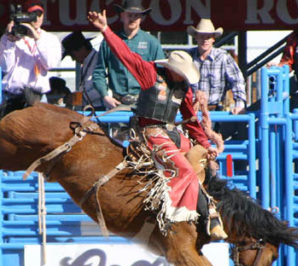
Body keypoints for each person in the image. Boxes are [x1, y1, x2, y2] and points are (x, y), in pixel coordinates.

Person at [88, 9, 227, 241]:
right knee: (182, 167)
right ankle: (192, 215)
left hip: (170, 133)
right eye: (181, 74)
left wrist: (204, 143)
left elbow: (192, 121)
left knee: (198, 160)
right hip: (148, 132)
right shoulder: (150, 74)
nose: (184, 78)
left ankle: (206, 208)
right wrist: (105, 30)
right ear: (172, 70)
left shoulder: (183, 89)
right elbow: (125, 55)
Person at [92, 0, 165, 109]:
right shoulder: (108, 42)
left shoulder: (152, 42)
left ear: (142, 18)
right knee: (115, 126)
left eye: (136, 16)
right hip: (117, 102)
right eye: (129, 15)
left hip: (145, 102)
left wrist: (158, 95)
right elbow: (99, 72)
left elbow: (162, 73)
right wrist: (105, 96)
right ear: (122, 16)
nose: (132, 18)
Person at [0, 0, 61, 104]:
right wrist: (11, 42)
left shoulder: (51, 39)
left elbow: (50, 64)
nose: (36, 18)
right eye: (32, 14)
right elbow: (5, 68)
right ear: (24, 16)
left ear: (43, 16)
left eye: (39, 14)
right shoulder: (7, 37)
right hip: (11, 95)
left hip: (36, 96)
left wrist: (37, 39)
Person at [188, 19, 246, 115]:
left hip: (215, 113)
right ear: (196, 37)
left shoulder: (223, 57)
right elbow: (176, 83)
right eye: (202, 36)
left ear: (213, 39)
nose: (205, 40)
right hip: (191, 111)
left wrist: (240, 104)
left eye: (208, 37)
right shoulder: (188, 57)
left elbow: (237, 80)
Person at [61, 31, 104, 111]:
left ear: (82, 49)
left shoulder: (100, 61)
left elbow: (101, 90)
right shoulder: (87, 63)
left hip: (100, 109)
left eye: (72, 55)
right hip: (89, 108)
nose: (73, 59)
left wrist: (77, 98)